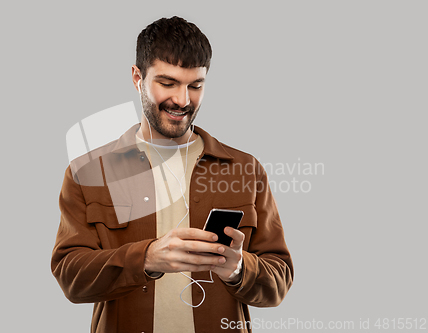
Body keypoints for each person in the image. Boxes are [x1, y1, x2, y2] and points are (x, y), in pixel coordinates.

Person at [51, 16, 294, 333]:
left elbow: (279, 281)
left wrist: (238, 269)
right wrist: (147, 258)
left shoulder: (245, 169)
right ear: (137, 78)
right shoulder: (89, 172)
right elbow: (71, 278)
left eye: (195, 85)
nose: (182, 100)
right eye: (167, 83)